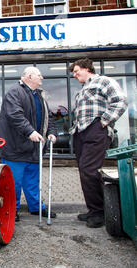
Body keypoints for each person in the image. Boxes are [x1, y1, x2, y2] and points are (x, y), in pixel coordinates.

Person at [69, 58, 127, 228]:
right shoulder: (82, 90)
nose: (74, 75)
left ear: (87, 68)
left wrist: (104, 121)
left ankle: (99, 214)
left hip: (96, 130)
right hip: (81, 132)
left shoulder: (104, 81)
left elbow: (120, 101)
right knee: (85, 172)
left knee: (89, 169)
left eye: (76, 71)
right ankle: (94, 210)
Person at [0, 67, 57, 221]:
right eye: (39, 75)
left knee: (33, 182)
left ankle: (36, 207)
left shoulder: (40, 96)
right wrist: (30, 131)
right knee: (13, 183)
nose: (42, 78)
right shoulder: (15, 92)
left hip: (34, 148)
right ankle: (11, 209)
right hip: (15, 148)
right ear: (29, 76)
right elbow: (14, 115)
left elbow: (48, 117)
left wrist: (52, 132)